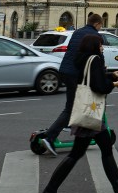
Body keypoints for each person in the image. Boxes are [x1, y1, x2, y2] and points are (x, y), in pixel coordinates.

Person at [41, 34, 118, 193]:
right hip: (91, 114)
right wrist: (116, 84)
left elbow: (93, 79)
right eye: (100, 44)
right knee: (78, 153)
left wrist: (113, 75)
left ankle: (117, 184)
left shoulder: (83, 59)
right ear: (94, 45)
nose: (102, 47)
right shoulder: (95, 59)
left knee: (104, 148)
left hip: (90, 114)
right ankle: (50, 190)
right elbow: (98, 86)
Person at [41, 14, 102, 156]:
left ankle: (72, 125)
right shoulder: (95, 36)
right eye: (100, 25)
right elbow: (97, 58)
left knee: (73, 104)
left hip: (65, 70)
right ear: (97, 24)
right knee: (72, 108)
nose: (100, 28)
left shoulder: (78, 31)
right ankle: (50, 137)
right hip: (75, 74)